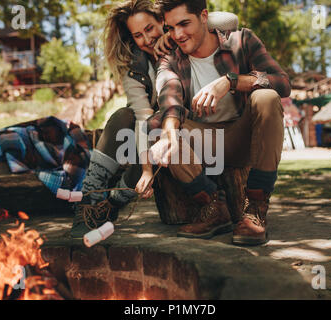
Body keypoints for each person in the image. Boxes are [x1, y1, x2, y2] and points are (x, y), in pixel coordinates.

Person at [70, 0, 238, 240]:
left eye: (150, 28)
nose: (147, 39)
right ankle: (89, 200)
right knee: (126, 118)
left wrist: (172, 34)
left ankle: (112, 204)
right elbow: (142, 120)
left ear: (162, 20)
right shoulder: (135, 69)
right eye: (138, 35)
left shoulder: (186, 39)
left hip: (197, 130)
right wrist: (147, 167)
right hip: (161, 135)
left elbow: (231, 19)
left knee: (157, 130)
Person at [148, 0, 291, 245]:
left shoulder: (241, 40)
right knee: (158, 124)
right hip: (201, 144)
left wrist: (231, 81)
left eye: (184, 23)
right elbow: (169, 94)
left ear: (204, 16)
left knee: (266, 97)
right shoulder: (170, 57)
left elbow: (281, 82)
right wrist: (169, 134)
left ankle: (255, 207)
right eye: (170, 28)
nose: (178, 35)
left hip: (242, 139)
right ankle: (214, 206)